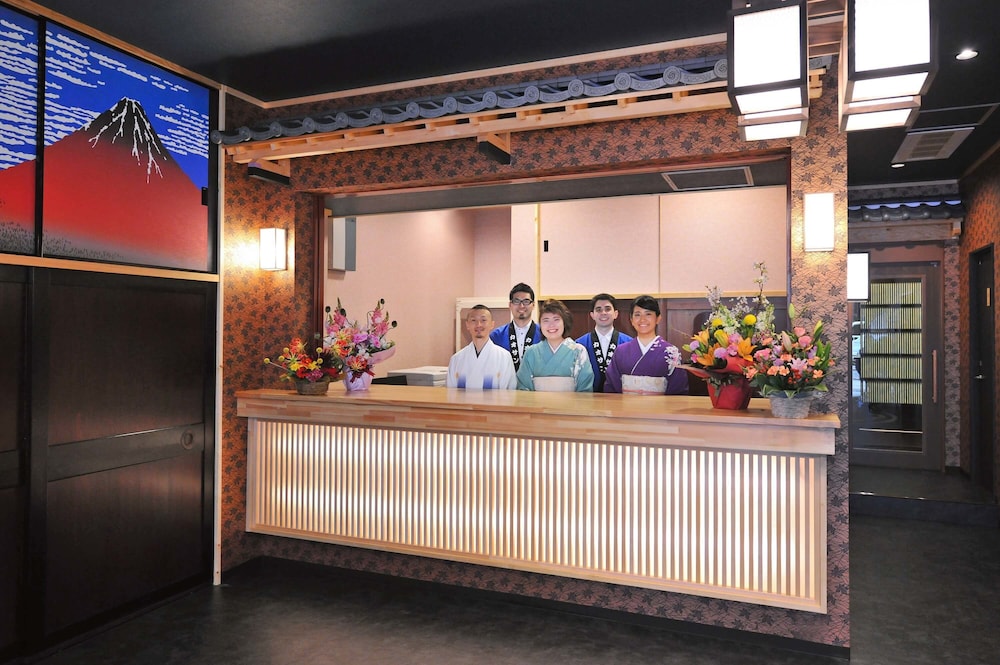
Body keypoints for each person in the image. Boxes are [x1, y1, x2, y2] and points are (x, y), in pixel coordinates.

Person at [604, 295, 688, 395]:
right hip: (625, 405)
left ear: (658, 318)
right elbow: (611, 388)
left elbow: (678, 390)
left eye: (648, 314)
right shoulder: (620, 351)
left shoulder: (672, 353)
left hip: (660, 405)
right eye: (637, 315)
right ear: (631, 320)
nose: (642, 319)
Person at [515, 299, 593, 392]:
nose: (551, 325)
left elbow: (585, 390)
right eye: (546, 320)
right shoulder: (531, 353)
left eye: (556, 319)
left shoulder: (578, 351)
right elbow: (523, 388)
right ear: (540, 324)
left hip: (572, 402)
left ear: (564, 322)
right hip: (537, 402)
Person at [447, 305, 517, 390]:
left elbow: (510, 392)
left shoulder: (504, 357)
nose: (478, 325)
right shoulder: (456, 359)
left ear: (492, 324)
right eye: (474, 320)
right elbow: (451, 393)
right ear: (467, 325)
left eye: (483, 320)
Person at [575, 293, 634, 393]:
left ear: (616, 314)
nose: (603, 313)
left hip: (620, 398)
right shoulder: (579, 344)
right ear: (592, 315)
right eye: (598, 310)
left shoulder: (629, 343)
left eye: (607, 309)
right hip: (588, 398)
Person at [489, 282, 542, 371]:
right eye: (516, 301)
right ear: (510, 305)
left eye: (526, 301)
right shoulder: (497, 335)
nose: (521, 306)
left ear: (533, 305)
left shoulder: (544, 333)